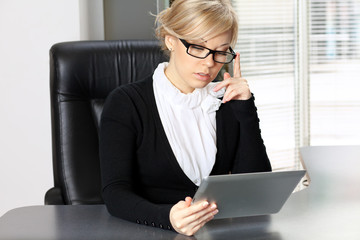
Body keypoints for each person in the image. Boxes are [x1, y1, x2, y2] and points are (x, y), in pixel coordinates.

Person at [99, 0, 271, 236]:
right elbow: (115, 192)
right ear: (170, 39)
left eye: (221, 52)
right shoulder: (127, 103)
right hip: (149, 233)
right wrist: (168, 218)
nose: (210, 63)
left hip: (216, 234)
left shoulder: (225, 101)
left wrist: (246, 108)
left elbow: (257, 190)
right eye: (198, 48)